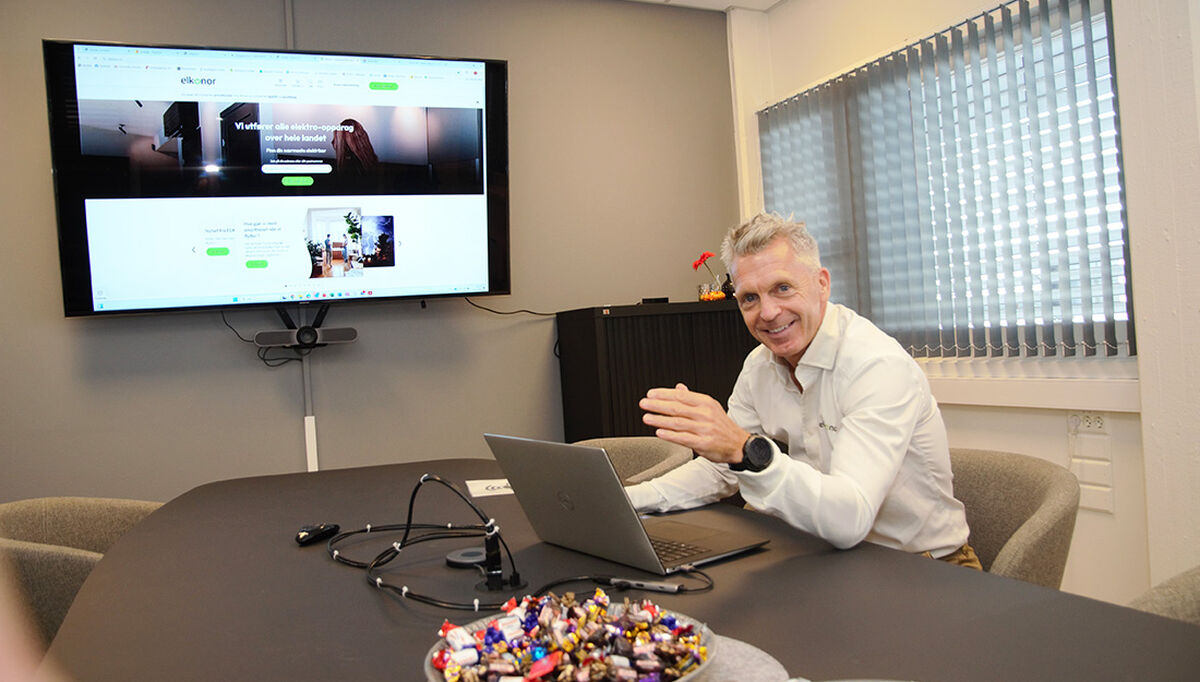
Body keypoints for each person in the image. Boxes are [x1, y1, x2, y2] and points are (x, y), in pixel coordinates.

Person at [628, 213, 980, 567]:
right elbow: (720, 469)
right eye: (749, 298)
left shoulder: (876, 365)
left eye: (782, 288)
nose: (767, 312)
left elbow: (848, 519)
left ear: (822, 284)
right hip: (828, 556)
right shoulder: (759, 366)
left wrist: (746, 449)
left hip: (924, 566)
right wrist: (625, 500)